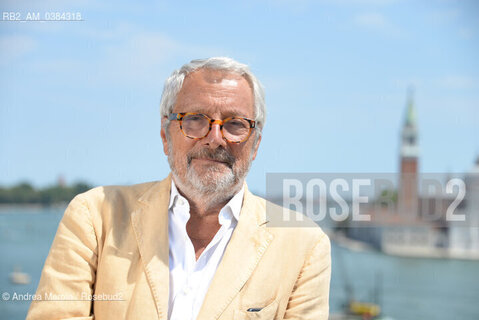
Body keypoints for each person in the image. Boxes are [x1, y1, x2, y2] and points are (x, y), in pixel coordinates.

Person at [27, 57, 331, 320]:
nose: (215, 138)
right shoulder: (96, 217)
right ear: (165, 135)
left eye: (235, 123)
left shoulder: (304, 245)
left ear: (256, 145)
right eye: (195, 120)